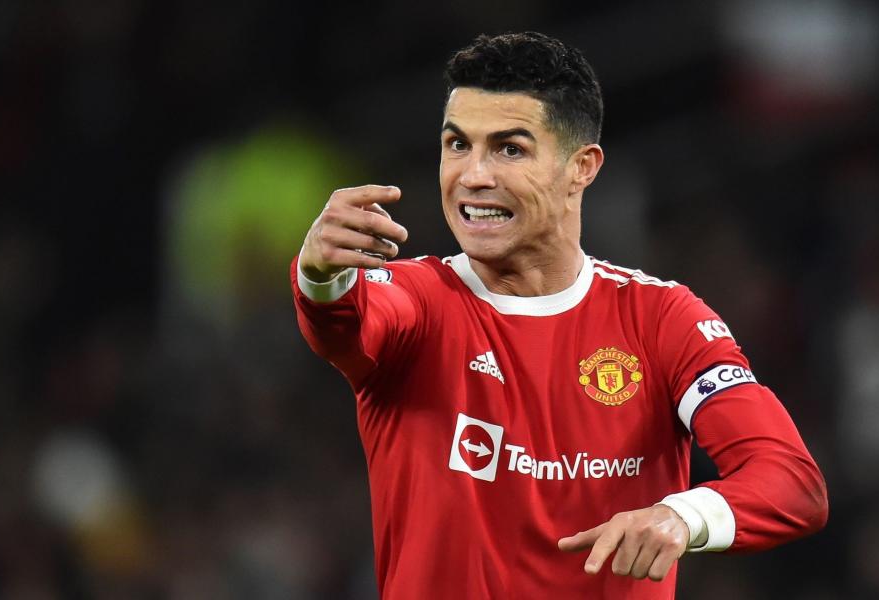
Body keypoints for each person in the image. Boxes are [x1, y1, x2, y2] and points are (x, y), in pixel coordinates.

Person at [292, 32, 827, 599]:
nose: (472, 175)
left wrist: (682, 516)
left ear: (582, 168)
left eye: (509, 149)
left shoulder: (661, 319)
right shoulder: (419, 302)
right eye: (457, 145)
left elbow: (790, 482)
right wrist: (320, 274)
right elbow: (342, 322)